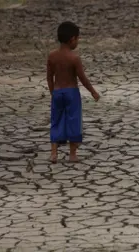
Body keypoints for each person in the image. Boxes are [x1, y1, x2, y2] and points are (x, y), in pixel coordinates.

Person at [47, 21, 100, 163]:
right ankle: (72, 154)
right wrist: (93, 92)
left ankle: (53, 153)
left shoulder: (52, 56)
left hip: (58, 92)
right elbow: (82, 78)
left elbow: (49, 77)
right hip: (71, 93)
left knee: (56, 121)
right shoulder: (74, 58)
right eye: (77, 39)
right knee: (73, 121)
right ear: (72, 39)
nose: (78, 42)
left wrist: (53, 93)